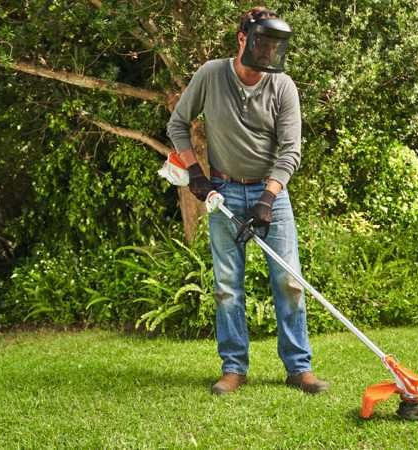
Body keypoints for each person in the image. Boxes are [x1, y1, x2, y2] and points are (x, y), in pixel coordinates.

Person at [166, 6, 329, 395]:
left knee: (289, 280)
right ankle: (234, 368)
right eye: (262, 42)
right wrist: (197, 176)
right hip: (222, 191)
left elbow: (290, 151)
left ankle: (299, 368)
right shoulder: (211, 75)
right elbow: (177, 124)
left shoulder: (282, 86)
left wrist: (267, 199)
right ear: (242, 40)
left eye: (275, 45)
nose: (268, 51)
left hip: (270, 192)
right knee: (227, 285)